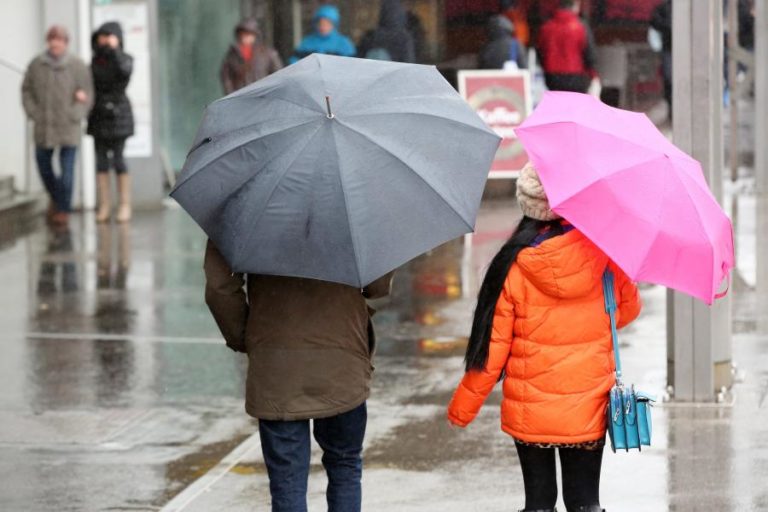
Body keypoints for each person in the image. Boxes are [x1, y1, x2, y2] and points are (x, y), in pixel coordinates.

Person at [447, 164, 641, 512]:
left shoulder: (513, 266)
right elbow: (624, 314)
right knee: (585, 503)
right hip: (588, 404)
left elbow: (491, 351)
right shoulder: (605, 255)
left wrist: (463, 407)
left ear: (528, 206)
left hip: (530, 411)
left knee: (538, 503)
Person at [203, 239, 393, 512]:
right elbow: (376, 285)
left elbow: (220, 288)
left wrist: (247, 337)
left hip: (276, 362)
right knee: (345, 465)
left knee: (287, 479)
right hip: (342, 355)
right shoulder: (357, 205)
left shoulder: (240, 206)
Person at [21, 25, 92, 225]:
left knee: (67, 172)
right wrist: (33, 113)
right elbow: (26, 90)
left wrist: (76, 113)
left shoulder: (77, 65)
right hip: (43, 127)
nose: (55, 43)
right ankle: (57, 198)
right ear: (48, 41)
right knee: (44, 167)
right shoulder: (36, 64)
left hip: (68, 127)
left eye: (59, 39)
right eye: (52, 39)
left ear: (65, 43)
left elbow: (87, 93)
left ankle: (63, 210)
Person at [88, 22, 134, 223]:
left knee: (118, 158)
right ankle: (104, 205)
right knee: (100, 161)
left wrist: (115, 49)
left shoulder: (124, 58)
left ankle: (124, 205)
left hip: (119, 114)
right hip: (98, 113)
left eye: (109, 36)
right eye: (102, 36)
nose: (104, 40)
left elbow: (124, 73)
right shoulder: (95, 61)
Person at [536, 0, 598, 93]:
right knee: (574, 105)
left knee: (557, 104)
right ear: (574, 7)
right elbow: (589, 55)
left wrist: (545, 68)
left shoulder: (546, 28)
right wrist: (593, 73)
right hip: (576, 76)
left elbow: (540, 52)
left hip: (552, 77)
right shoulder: (580, 27)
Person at [220, 18, 283, 95]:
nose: (246, 37)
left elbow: (278, 75)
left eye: (249, 34)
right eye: (243, 34)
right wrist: (231, 95)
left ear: (255, 35)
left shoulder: (268, 53)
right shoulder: (232, 55)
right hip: (240, 97)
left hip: (262, 96)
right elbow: (226, 76)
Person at [289, 5, 356, 64]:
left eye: (327, 23)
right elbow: (295, 62)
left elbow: (352, 65)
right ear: (316, 24)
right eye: (320, 23)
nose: (323, 26)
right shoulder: (307, 42)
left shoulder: (343, 43)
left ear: (334, 24)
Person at [650, 0, 672, 119]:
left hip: (679, 48)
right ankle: (670, 104)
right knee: (668, 78)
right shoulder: (663, 8)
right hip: (668, 48)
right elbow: (654, 22)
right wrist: (669, 27)